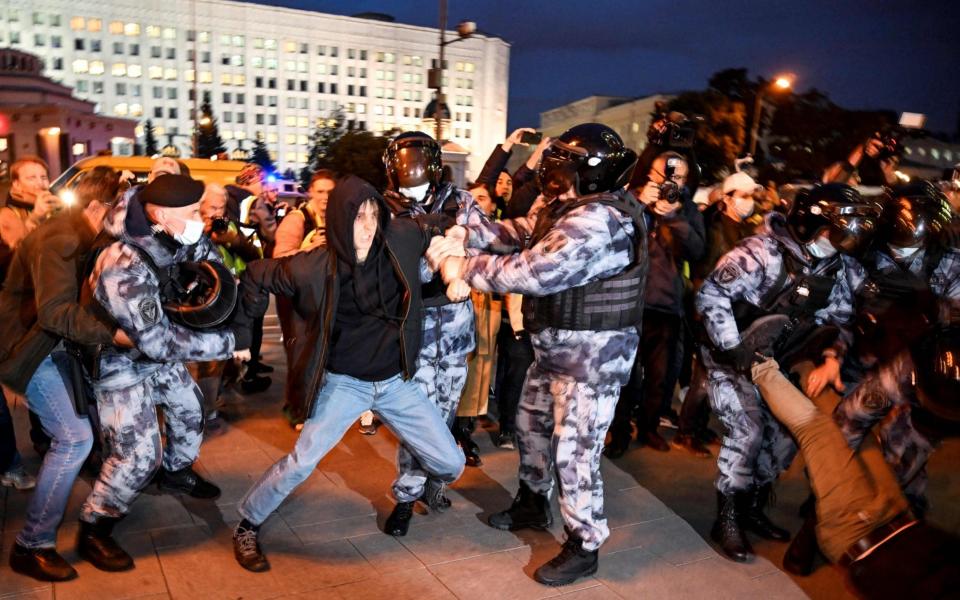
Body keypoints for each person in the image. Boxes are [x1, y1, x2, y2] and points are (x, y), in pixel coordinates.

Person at [430, 123, 646, 586]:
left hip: (591, 359)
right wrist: (469, 231)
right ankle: (532, 502)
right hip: (554, 349)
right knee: (530, 428)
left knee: (575, 450)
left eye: (564, 162)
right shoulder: (567, 206)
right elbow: (523, 231)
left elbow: (536, 270)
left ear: (588, 173)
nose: (553, 168)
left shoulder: (601, 221)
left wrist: (461, 266)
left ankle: (584, 542)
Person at [230, 175, 464, 572]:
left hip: (396, 383)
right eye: (358, 217)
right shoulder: (311, 268)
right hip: (345, 385)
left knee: (452, 465)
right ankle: (247, 523)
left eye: (374, 215)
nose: (368, 226)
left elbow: (442, 221)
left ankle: (423, 488)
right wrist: (241, 336)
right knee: (302, 462)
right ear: (339, 220)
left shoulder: (401, 237)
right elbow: (255, 273)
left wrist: (454, 240)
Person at [695, 183, 880, 562]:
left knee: (783, 438)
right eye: (841, 226)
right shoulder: (760, 253)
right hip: (730, 357)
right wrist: (734, 348)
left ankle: (752, 507)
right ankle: (727, 518)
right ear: (813, 223)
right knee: (748, 429)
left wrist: (831, 357)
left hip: (777, 362)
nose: (848, 235)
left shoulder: (838, 268)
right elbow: (711, 296)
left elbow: (840, 321)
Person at [77, 174, 248, 572]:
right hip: (118, 363)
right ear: (159, 214)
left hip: (152, 351)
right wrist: (228, 345)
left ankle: (176, 472)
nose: (200, 220)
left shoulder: (172, 233)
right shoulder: (122, 264)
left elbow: (208, 256)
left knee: (191, 410)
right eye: (192, 213)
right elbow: (158, 343)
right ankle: (96, 524)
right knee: (137, 456)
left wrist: (225, 282)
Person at [0, 167, 130, 581]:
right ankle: (31, 545)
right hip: (28, 350)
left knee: (87, 430)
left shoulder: (85, 236)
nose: (127, 217)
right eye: (121, 208)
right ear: (98, 208)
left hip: (49, 345)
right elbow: (55, 312)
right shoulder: (59, 238)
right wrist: (114, 333)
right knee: (74, 438)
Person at [751, 354, 959, 600]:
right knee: (860, 434)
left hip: (858, 532)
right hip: (900, 516)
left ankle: (756, 362)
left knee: (817, 431)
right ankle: (803, 361)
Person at [380, 131, 488, 536]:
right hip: (417, 332)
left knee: (443, 417)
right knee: (417, 423)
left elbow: (485, 239)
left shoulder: (460, 202)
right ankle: (406, 496)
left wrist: (461, 242)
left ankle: (436, 485)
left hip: (455, 332)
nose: (414, 173)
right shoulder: (386, 209)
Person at [834, 181, 959, 515]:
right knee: (845, 425)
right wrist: (833, 354)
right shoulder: (863, 252)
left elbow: (953, 322)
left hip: (917, 364)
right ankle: (834, 492)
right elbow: (841, 309)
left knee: (902, 442)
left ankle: (906, 509)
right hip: (864, 354)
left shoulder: (948, 260)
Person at [606, 151, 705, 457]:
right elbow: (609, 239)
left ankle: (649, 428)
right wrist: (639, 205)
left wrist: (674, 217)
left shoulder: (686, 208)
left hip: (666, 305)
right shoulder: (630, 198)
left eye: (678, 177)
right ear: (651, 174)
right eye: (666, 175)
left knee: (660, 376)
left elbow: (697, 251)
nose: (670, 182)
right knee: (625, 375)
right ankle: (619, 431)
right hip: (629, 302)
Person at [0, 156, 61, 489]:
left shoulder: (54, 212)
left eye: (44, 175)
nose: (41, 182)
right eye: (32, 177)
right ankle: (9, 462)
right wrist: (36, 220)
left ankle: (46, 438)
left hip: (41, 313)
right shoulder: (7, 217)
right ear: (16, 185)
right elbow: (15, 264)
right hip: (10, 318)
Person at [273, 169, 336, 428]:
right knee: (300, 354)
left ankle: (319, 407)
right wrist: (307, 249)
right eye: (320, 191)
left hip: (326, 294)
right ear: (310, 192)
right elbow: (279, 258)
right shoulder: (297, 219)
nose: (325, 197)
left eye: (330, 192)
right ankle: (297, 411)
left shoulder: (335, 218)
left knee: (324, 354)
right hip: (296, 299)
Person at [453, 183, 503, 466]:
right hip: (464, 307)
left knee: (481, 372)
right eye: (473, 199)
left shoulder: (498, 234)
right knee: (463, 372)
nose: (477, 203)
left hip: (488, 309)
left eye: (483, 199)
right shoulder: (459, 232)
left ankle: (465, 429)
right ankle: (454, 434)